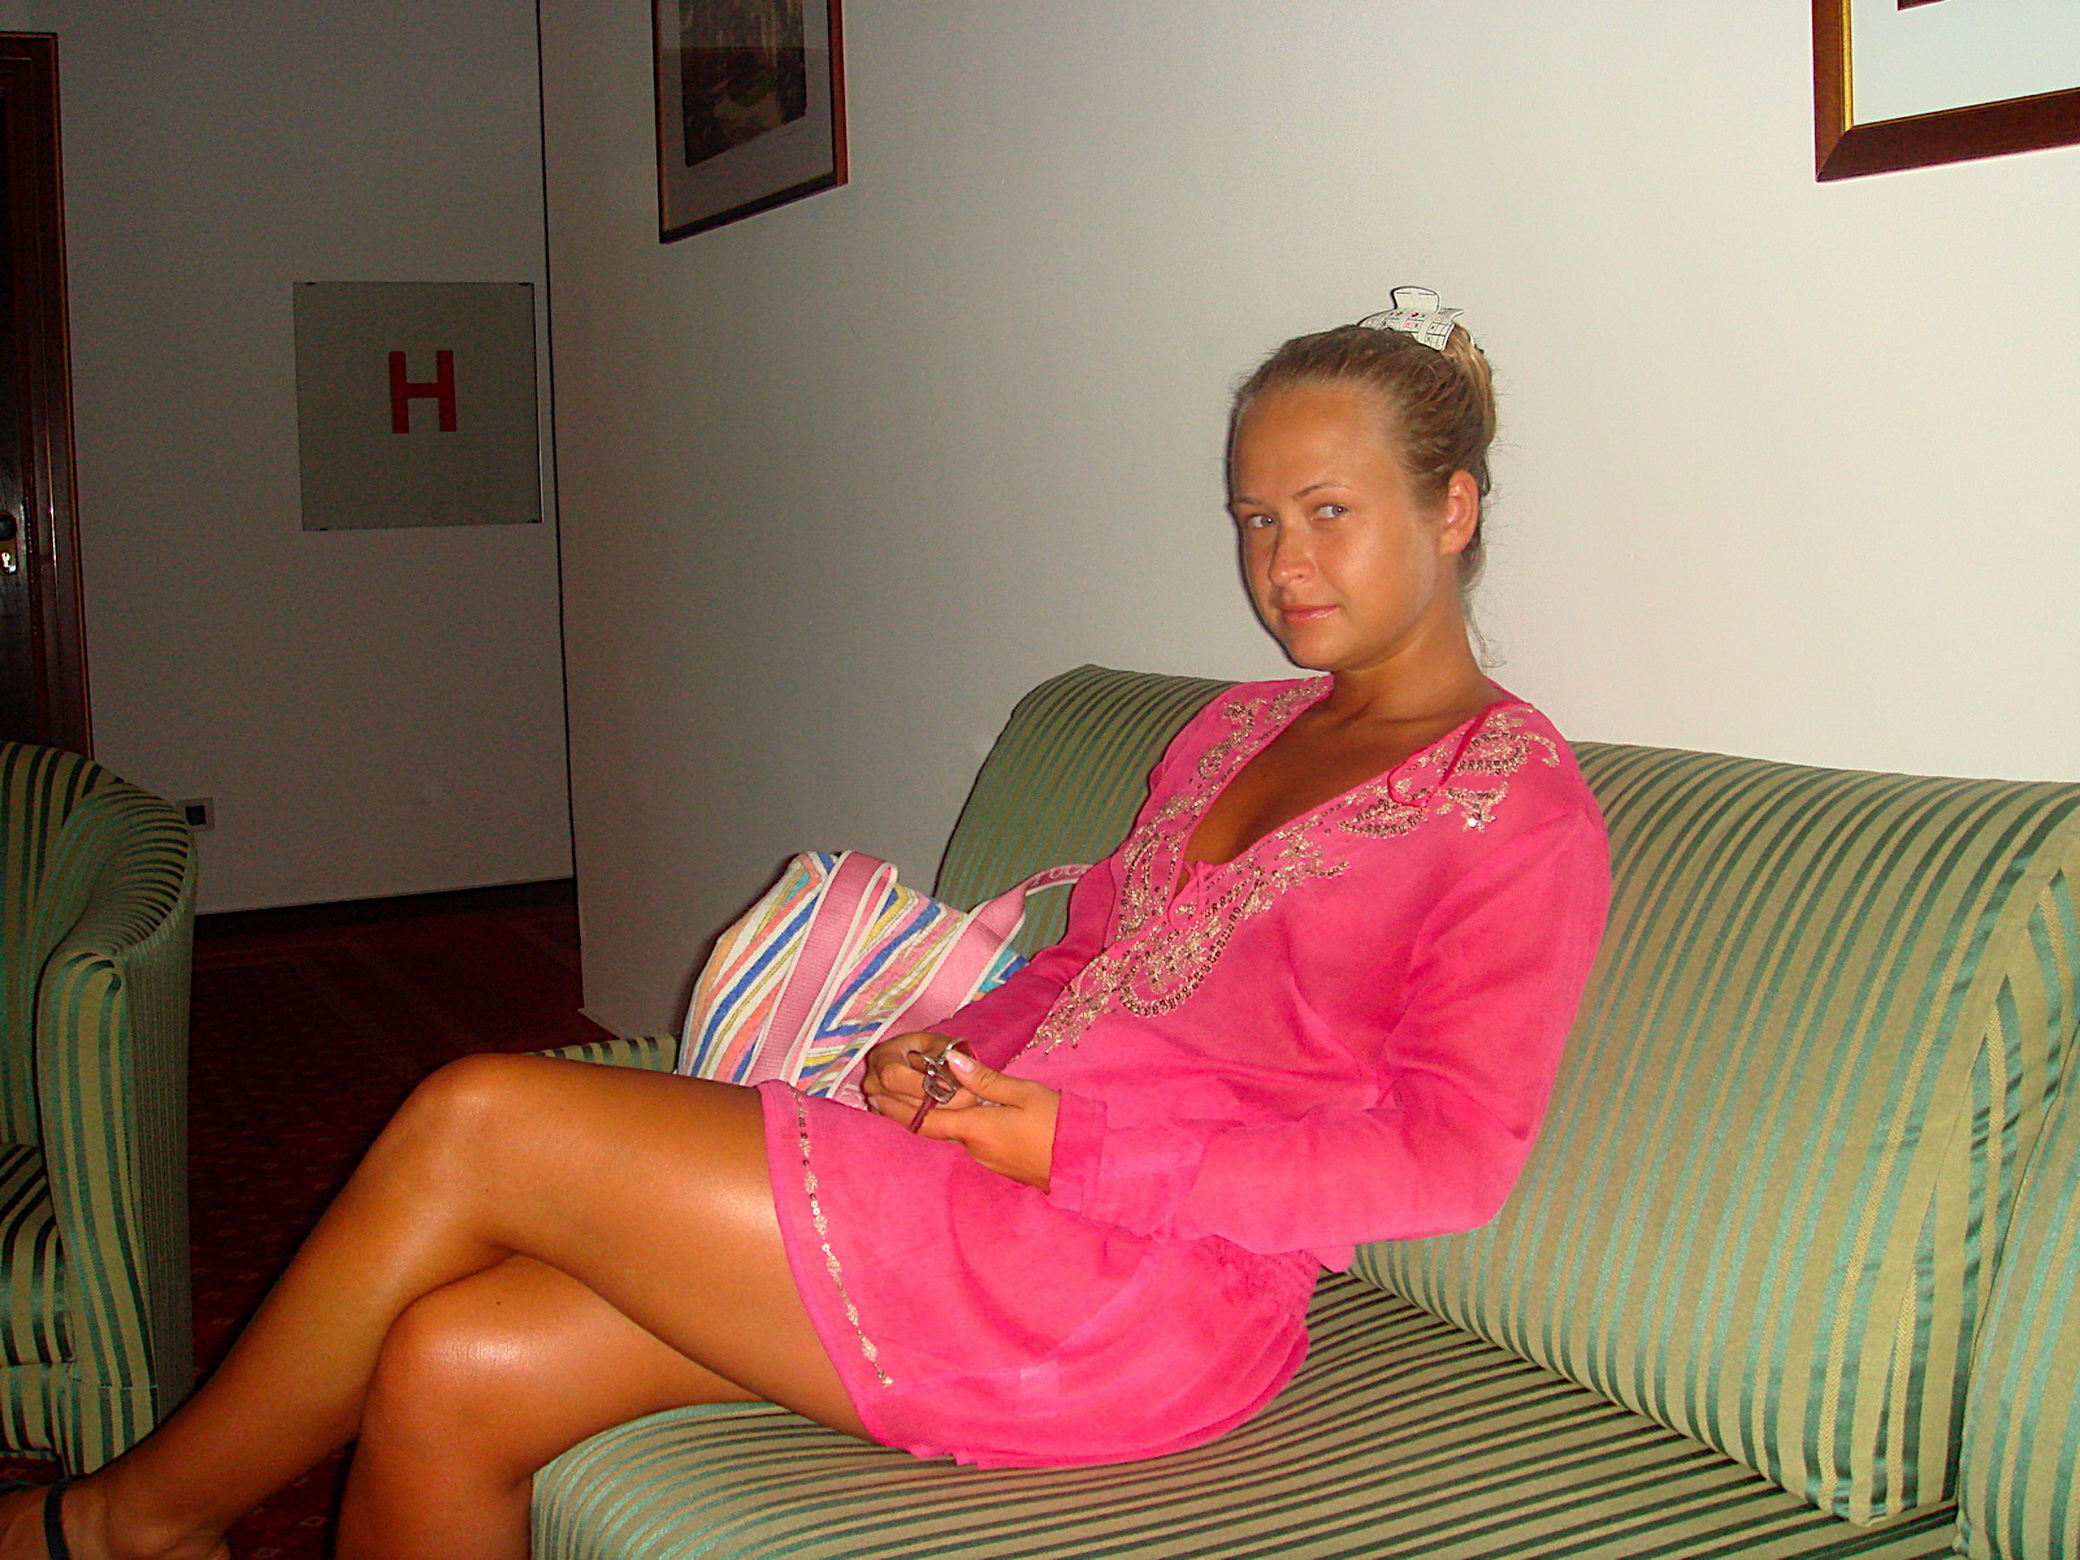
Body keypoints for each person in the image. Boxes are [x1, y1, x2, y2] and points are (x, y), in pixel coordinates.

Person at [0, 294, 1609, 1560]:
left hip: (1147, 1292)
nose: (1281, 563)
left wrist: (1071, 1149)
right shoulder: (1235, 729)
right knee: (450, 1369)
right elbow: (1084, 963)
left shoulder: (1511, 803)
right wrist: (944, 1055)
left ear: (1452, 507)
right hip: (982, 1184)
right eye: (1254, 518)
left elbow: (1446, 1160)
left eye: (1327, 512)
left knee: (475, 1114)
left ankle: (133, 1523)